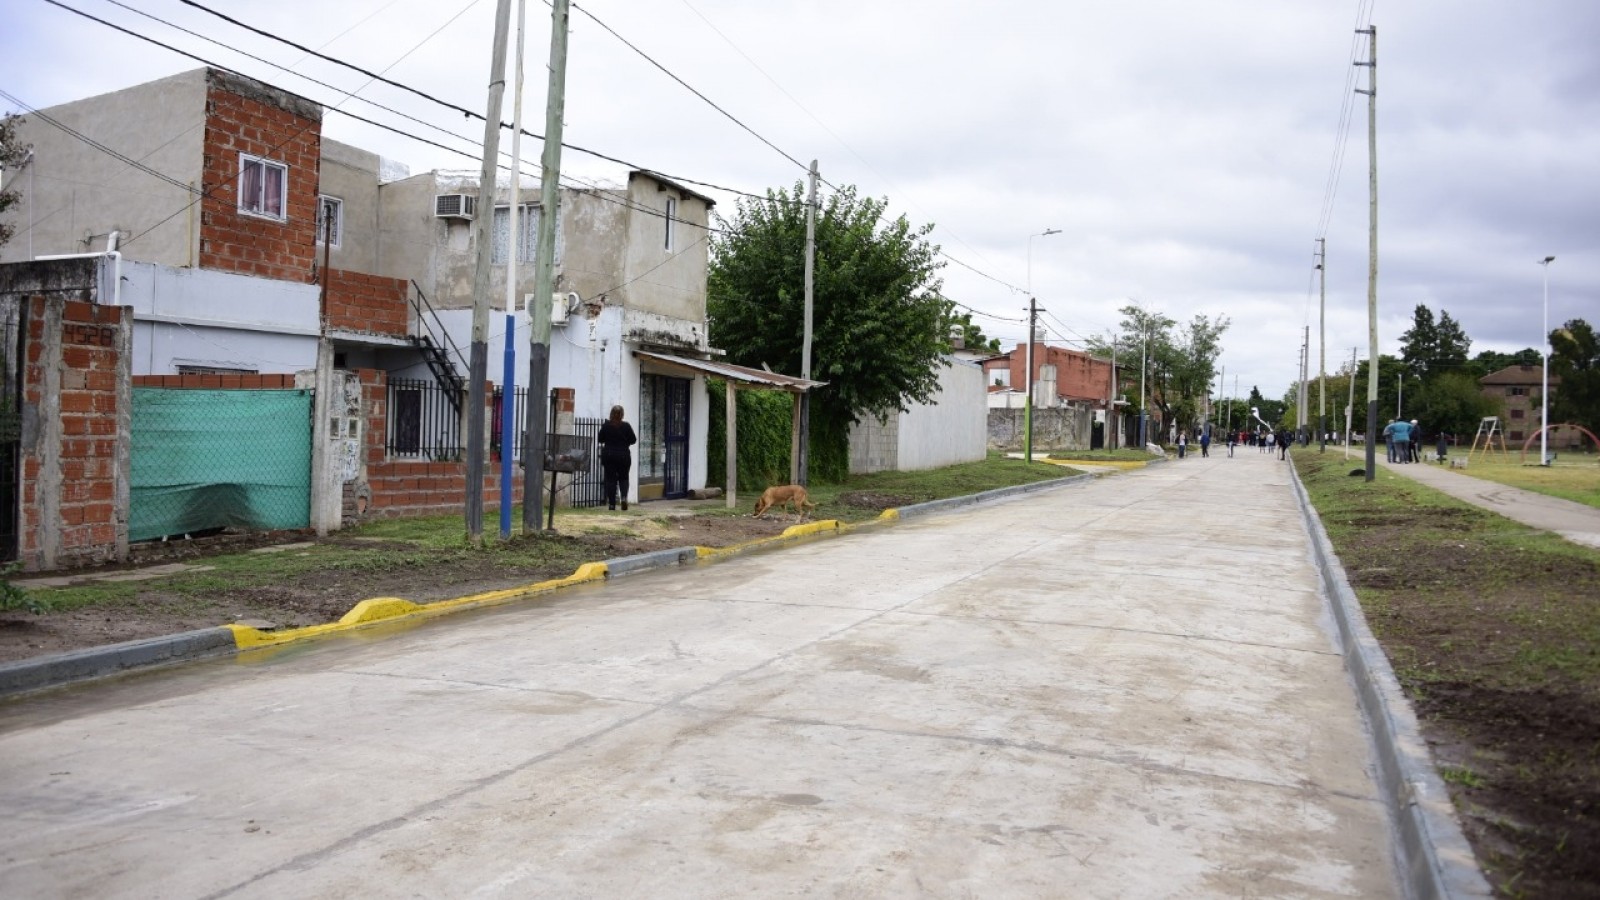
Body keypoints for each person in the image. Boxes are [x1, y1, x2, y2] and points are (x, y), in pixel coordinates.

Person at [596, 404, 637, 511]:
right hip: (623, 455)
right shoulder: (626, 426)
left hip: (609, 455)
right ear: (622, 415)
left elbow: (600, 439)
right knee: (624, 478)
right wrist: (624, 442)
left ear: (611, 414)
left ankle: (612, 504)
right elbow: (633, 440)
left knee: (611, 480)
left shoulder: (606, 426)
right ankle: (623, 498)